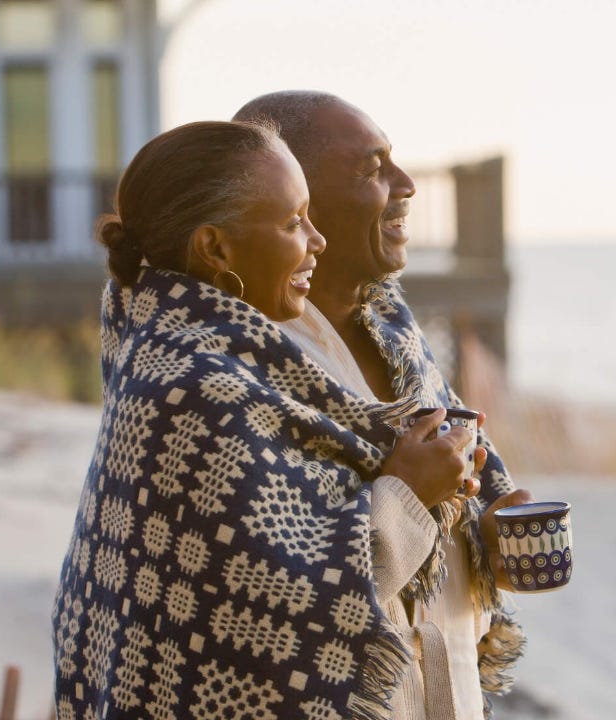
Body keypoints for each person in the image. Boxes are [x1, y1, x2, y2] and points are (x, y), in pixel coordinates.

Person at [52, 120, 485, 719]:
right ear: (215, 248)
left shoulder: (225, 358)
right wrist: (408, 494)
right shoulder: (195, 387)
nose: (318, 241)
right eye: (292, 222)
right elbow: (283, 609)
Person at [234, 92, 533, 720]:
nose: (405, 185)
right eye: (373, 169)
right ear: (293, 194)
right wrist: (406, 495)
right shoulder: (236, 369)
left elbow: (452, 498)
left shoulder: (397, 328)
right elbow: (268, 593)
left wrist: (483, 535)